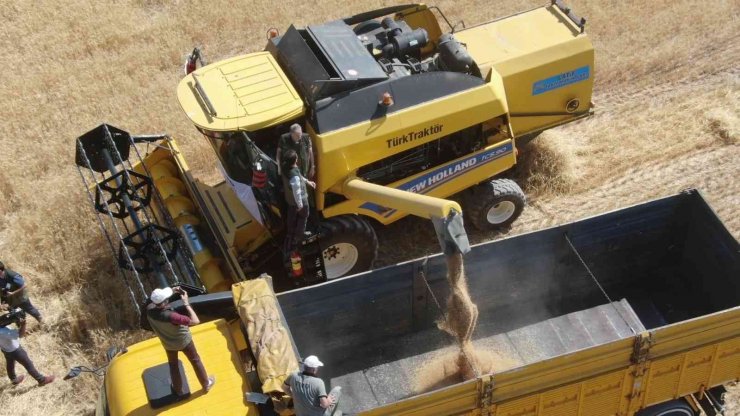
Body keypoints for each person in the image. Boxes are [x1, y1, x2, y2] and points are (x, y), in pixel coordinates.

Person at [147, 286, 215, 397]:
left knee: (173, 366)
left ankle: (178, 390)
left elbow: (156, 303)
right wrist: (186, 303)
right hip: (184, 341)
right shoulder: (172, 316)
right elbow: (195, 321)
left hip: (168, 344)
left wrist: (173, 290)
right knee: (195, 360)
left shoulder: (149, 310)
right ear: (164, 302)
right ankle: (206, 384)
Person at [0, 309, 54, 386]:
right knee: (28, 364)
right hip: (15, 350)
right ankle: (41, 380)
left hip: (5, 349)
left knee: (10, 364)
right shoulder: (3, 332)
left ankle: (14, 380)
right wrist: (23, 324)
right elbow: (20, 335)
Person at [282, 149, 316, 257]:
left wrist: (308, 182)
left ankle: (290, 233)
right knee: (303, 217)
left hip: (290, 200)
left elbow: (299, 177)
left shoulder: (286, 167)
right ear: (295, 160)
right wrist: (300, 205)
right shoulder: (294, 176)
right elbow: (297, 191)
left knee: (291, 217)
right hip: (300, 200)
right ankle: (299, 236)